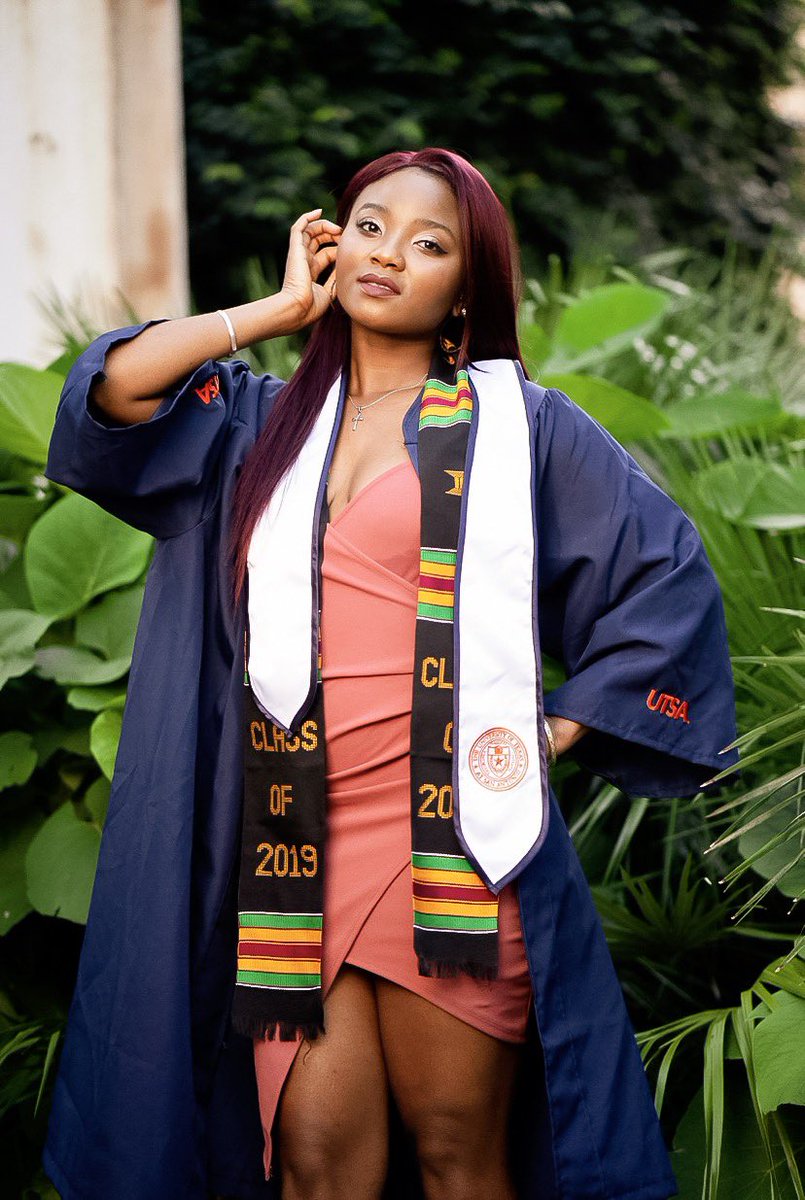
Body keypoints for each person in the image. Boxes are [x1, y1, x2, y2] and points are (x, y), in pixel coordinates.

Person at [41, 148, 740, 1200]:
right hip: (290, 835)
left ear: (465, 287)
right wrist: (278, 310)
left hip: (449, 834)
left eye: (428, 243)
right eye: (369, 227)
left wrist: (551, 731)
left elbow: (666, 578)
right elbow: (112, 394)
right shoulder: (257, 421)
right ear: (332, 245)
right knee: (316, 1166)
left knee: (460, 1160)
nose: (388, 255)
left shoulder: (519, 428)